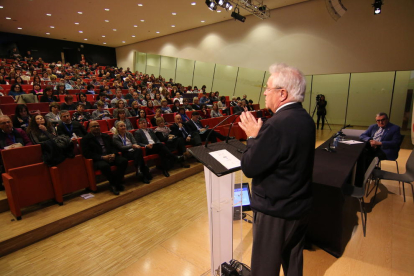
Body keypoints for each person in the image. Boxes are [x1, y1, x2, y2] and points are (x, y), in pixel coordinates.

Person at [238, 63, 315, 276]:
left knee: (264, 268)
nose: (264, 92)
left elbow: (250, 167)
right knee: (293, 263)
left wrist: (253, 136)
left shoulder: (276, 125)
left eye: (268, 88)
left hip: (276, 212)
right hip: (299, 207)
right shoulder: (305, 119)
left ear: (282, 94)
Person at [81, 121, 128, 195]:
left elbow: (113, 147)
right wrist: (102, 157)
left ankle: (116, 182)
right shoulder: (86, 139)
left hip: (110, 156)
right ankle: (113, 184)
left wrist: (113, 154)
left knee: (123, 161)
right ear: (89, 128)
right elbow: (87, 154)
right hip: (98, 159)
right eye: (94, 126)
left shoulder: (105, 136)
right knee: (104, 166)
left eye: (97, 126)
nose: (96, 128)